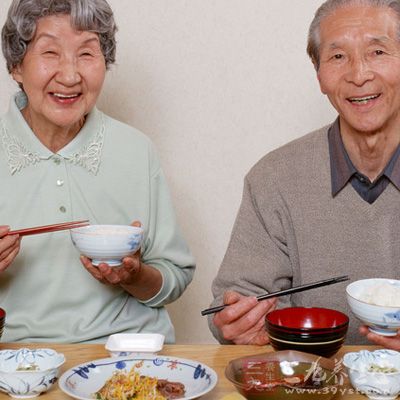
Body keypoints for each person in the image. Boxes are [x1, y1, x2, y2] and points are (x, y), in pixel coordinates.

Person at [208, 0, 400, 349]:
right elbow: (239, 301)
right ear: (319, 75)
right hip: (312, 381)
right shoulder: (274, 178)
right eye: (337, 57)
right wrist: (239, 324)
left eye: (377, 51)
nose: (359, 75)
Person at [0, 0, 195, 343]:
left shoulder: (136, 150)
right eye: (50, 53)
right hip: (19, 360)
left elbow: (174, 277)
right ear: (16, 65)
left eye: (87, 54)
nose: (71, 75)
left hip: (125, 351)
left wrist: (133, 277)